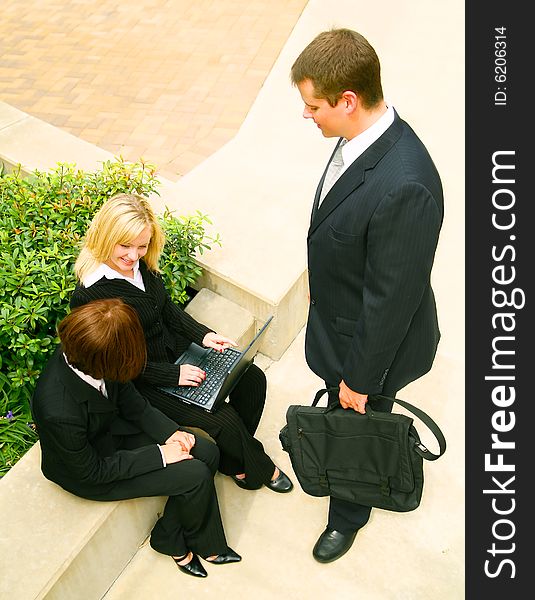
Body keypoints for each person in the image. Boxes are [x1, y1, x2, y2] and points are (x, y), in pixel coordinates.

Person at [290, 28, 444, 563]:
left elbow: (391, 301)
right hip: (342, 321)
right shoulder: (360, 140)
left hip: (370, 352)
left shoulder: (406, 185)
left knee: (356, 429)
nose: (308, 115)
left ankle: (347, 514)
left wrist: (358, 380)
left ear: (348, 101)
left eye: (313, 106)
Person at [70, 192, 292, 494]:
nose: (133, 255)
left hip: (179, 353)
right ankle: (258, 467)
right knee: (223, 420)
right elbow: (115, 364)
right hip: (145, 380)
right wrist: (172, 375)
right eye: (125, 245)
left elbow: (167, 310)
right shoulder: (90, 295)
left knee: (252, 377)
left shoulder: (140, 264)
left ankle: (233, 458)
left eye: (142, 245)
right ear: (106, 235)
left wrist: (202, 335)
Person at [30, 298, 241, 578]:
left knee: (207, 452)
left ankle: (167, 534)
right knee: (195, 474)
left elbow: (131, 401)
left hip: (111, 431)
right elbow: (93, 471)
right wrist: (162, 454)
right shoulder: (58, 409)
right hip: (91, 470)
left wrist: (171, 433)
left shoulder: (94, 348)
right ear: (103, 361)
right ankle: (191, 545)